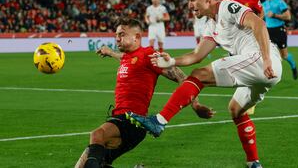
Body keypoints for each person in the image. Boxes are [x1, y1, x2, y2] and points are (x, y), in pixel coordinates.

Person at [128, 0, 282, 168]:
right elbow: (196, 55)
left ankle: (159, 121)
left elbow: (258, 24)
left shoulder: (227, 7)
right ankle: (253, 162)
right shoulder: (211, 25)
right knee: (235, 109)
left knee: (200, 75)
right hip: (256, 72)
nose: (190, 4)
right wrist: (172, 61)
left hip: (262, 60)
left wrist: (266, 59)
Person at [75, 18, 214, 168]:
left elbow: (182, 77)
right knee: (86, 164)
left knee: (97, 135)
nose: (117, 38)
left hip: (132, 121)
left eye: (122, 34)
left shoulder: (149, 55)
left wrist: (196, 105)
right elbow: (126, 58)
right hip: (121, 119)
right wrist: (109, 52)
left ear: (137, 37)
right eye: (116, 35)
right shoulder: (128, 56)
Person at [262, 0, 298, 80]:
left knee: (284, 56)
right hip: (268, 31)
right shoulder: (264, 4)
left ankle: (293, 66)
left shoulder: (279, 2)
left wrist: (274, 15)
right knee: (270, 54)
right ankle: (272, 75)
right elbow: (262, 19)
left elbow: (288, 16)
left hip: (279, 30)